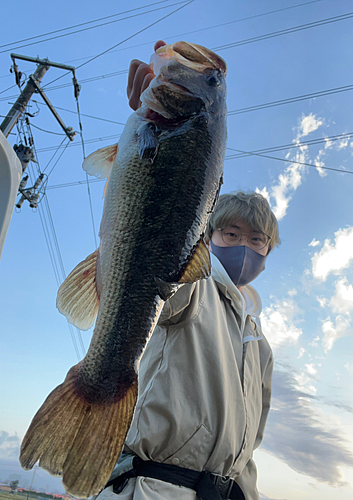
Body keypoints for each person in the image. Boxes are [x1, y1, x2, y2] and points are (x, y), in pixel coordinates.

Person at [97, 42, 280, 500]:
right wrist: (144, 134)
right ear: (207, 232)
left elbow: (250, 440)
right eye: (231, 232)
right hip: (157, 487)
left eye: (257, 240)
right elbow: (156, 275)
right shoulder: (195, 285)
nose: (244, 245)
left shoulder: (259, 340)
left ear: (269, 251)